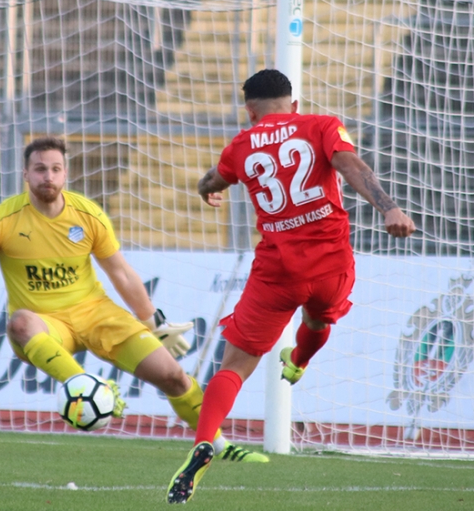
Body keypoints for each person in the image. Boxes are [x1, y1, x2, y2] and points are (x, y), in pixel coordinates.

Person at [0, 136, 269, 464]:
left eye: (55, 169)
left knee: (174, 376)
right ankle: (89, 387)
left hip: (95, 314)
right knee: (20, 322)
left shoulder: (87, 215)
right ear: (25, 174)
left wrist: (154, 322)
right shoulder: (4, 219)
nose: (48, 176)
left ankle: (218, 445)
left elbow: (121, 273)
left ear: (65, 174)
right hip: (45, 323)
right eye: (40, 169)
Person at [166, 69, 416, 504]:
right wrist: (389, 208)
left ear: (250, 111)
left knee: (234, 366)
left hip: (276, 272)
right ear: (293, 104)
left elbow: (213, 179)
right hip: (330, 265)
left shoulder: (241, 146)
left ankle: (204, 441)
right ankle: (298, 361)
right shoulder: (321, 125)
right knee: (319, 320)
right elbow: (350, 165)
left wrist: (206, 189)